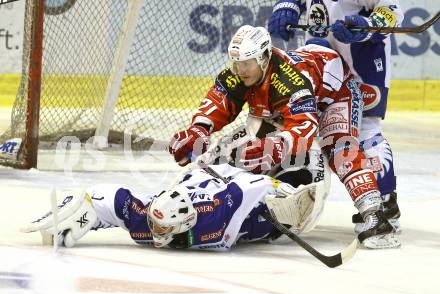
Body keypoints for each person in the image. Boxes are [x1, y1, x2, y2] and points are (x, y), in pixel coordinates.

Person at [167, 25, 398, 248]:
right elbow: (218, 102)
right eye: (237, 64)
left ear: (264, 58)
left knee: (339, 148)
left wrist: (276, 147)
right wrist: (198, 129)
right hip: (287, 104)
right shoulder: (239, 73)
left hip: (336, 95)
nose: (241, 70)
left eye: (247, 63)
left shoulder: (291, 80)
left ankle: (376, 215)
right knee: (235, 148)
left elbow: (304, 128)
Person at [268, 0, 403, 243]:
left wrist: (367, 26)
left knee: (364, 129)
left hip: (363, 58)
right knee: (306, 122)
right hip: (320, 55)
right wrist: (285, 6)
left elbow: (392, 9)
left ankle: (383, 202)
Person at [21, 164, 323, 249]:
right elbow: (103, 197)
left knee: (266, 219)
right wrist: (87, 212)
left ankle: (303, 175)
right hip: (200, 175)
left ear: (184, 224)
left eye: (163, 227)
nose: (156, 232)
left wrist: (283, 191)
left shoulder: (219, 215)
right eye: (155, 224)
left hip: (231, 180)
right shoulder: (147, 220)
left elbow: (251, 185)